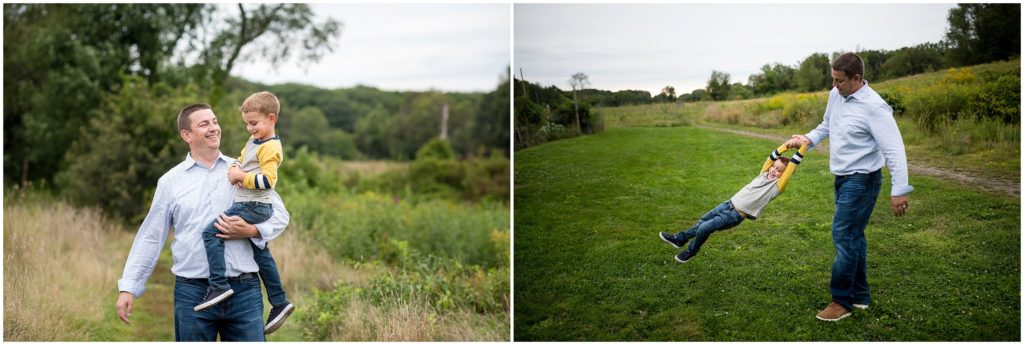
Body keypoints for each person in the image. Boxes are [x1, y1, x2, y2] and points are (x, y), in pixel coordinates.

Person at [116, 103, 290, 341]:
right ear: (186, 135)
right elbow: (150, 236)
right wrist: (129, 286)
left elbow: (280, 215)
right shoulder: (170, 182)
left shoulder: (241, 170)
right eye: (204, 124)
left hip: (245, 291)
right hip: (193, 291)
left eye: (215, 121)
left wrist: (252, 230)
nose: (213, 128)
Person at [784, 52, 913, 322]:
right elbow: (827, 124)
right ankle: (860, 296)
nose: (834, 86)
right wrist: (806, 138)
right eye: (832, 80)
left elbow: (894, 150)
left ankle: (841, 301)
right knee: (854, 236)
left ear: (857, 78)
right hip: (842, 177)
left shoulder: (875, 108)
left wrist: (899, 189)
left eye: (839, 81)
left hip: (862, 180)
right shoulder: (837, 95)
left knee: (843, 235)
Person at [195, 92, 295, 335]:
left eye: (254, 123)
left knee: (210, 233)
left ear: (271, 119)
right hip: (251, 204)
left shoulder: (271, 148)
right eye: (247, 124)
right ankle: (279, 301)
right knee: (260, 251)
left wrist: (241, 177)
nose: (249, 128)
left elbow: (268, 181)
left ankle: (219, 285)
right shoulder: (255, 143)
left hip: (254, 205)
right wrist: (234, 167)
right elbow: (241, 160)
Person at [659, 143, 807, 263]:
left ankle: (691, 251)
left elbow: (791, 167)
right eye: (774, 167)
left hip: (735, 214)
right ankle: (679, 239)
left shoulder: (776, 187)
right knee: (701, 223)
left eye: (779, 170)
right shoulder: (763, 174)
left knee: (705, 228)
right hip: (727, 204)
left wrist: (803, 147)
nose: (773, 170)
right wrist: (786, 145)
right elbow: (771, 157)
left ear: (784, 175)